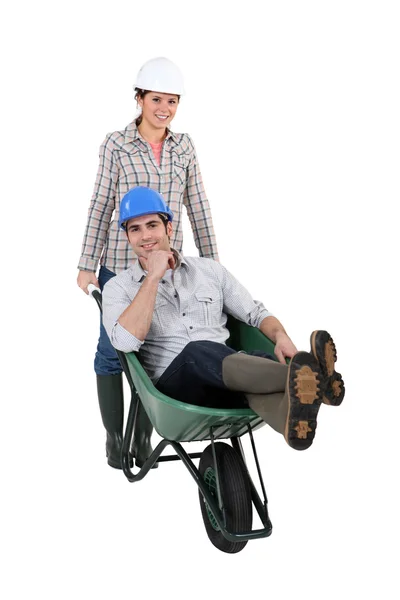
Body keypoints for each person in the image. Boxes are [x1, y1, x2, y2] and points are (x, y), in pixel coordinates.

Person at [102, 187, 345, 456]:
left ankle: (292, 421)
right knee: (197, 351)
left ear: (169, 227)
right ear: (127, 236)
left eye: (152, 225)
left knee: (255, 359)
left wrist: (281, 336)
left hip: (228, 376)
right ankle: (312, 378)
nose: (145, 236)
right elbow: (125, 342)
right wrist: (153, 277)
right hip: (173, 392)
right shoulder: (118, 288)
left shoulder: (209, 272)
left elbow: (255, 313)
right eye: (135, 229)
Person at [77, 57, 219, 468]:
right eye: (157, 99)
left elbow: (198, 205)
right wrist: (88, 262)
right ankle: (114, 437)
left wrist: (211, 266)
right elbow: (102, 204)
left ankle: (142, 439)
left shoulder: (184, 146)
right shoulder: (116, 144)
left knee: (156, 352)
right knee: (113, 353)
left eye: (172, 101)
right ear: (139, 99)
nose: (165, 108)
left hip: (168, 267)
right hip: (121, 267)